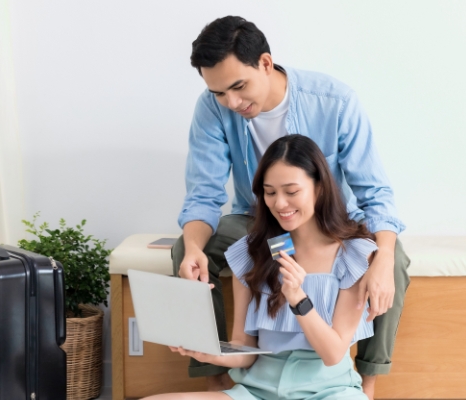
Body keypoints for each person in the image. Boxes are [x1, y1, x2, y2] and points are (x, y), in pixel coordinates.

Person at [174, 16, 410, 398]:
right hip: (257, 217)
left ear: (265, 63)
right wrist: (193, 248)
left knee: (391, 260)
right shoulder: (213, 109)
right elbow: (203, 195)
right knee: (186, 249)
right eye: (219, 93)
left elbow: (375, 193)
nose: (231, 102)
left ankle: (366, 384)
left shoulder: (334, 101)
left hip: (331, 220)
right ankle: (216, 378)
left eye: (238, 87)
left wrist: (383, 256)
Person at [150, 135, 378, 399]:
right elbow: (244, 349)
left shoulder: (353, 254)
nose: (279, 204)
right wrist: (210, 352)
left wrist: (298, 299)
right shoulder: (252, 252)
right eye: (270, 192)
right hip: (257, 391)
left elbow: (333, 354)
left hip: (330, 391)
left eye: (291, 192)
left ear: (320, 188)